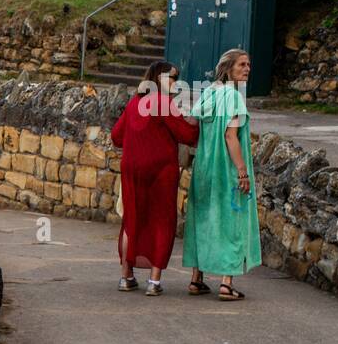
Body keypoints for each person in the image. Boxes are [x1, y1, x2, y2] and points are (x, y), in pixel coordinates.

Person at [110, 61, 199, 295]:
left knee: (132, 220)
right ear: (159, 78)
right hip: (160, 170)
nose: (176, 82)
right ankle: (154, 281)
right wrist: (195, 120)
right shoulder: (163, 102)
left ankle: (126, 276)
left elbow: (116, 137)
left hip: (132, 168)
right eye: (173, 77)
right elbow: (186, 134)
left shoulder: (134, 102)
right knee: (161, 220)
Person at [182, 48, 260, 301]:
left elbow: (191, 124)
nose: (247, 69)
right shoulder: (234, 97)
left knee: (203, 219)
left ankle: (197, 278)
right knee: (231, 223)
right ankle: (226, 283)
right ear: (228, 69)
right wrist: (242, 172)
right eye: (242, 65)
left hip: (204, 168)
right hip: (226, 169)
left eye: (248, 65)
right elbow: (230, 136)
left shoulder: (208, 93)